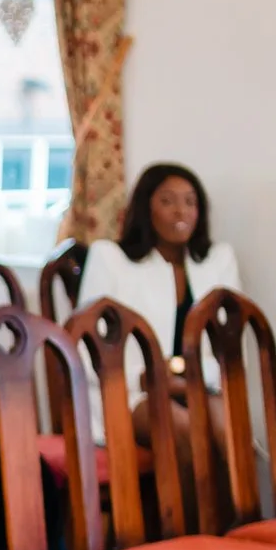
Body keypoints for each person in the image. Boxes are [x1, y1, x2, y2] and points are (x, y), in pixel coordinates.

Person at [77, 162, 241, 510]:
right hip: (128, 392)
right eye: (167, 201)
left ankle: (237, 529)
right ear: (145, 207)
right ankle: (186, 533)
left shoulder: (217, 261)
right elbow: (87, 346)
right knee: (180, 427)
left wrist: (181, 374)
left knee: (229, 427)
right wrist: (148, 375)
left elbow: (230, 351)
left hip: (195, 384)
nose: (181, 211)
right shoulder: (111, 258)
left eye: (190, 202)